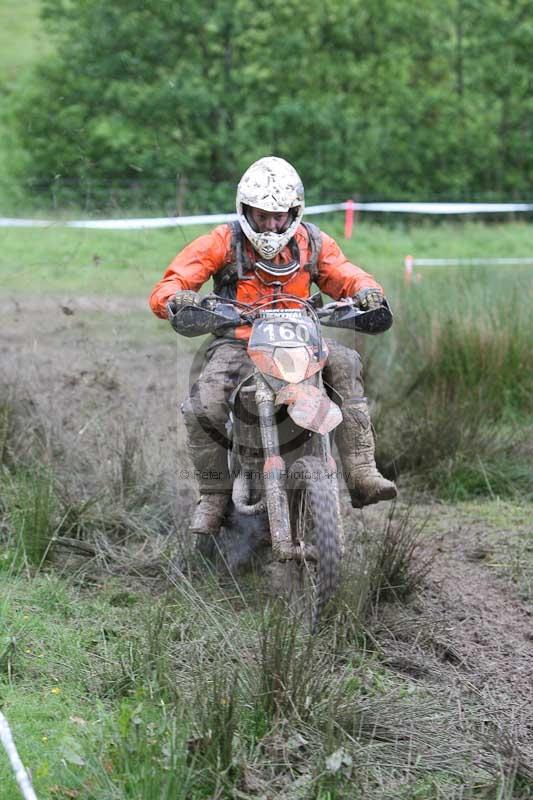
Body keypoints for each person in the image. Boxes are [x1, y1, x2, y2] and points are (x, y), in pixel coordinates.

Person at [149, 156, 396, 536]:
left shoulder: (313, 242)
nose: (271, 224)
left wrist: (365, 291)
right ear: (245, 209)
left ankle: (362, 470)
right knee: (203, 405)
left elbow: (343, 273)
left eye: (279, 216)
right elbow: (172, 282)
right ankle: (214, 494)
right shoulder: (222, 241)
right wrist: (178, 299)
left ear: (294, 212)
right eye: (262, 215)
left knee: (345, 361)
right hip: (237, 344)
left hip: (300, 341)